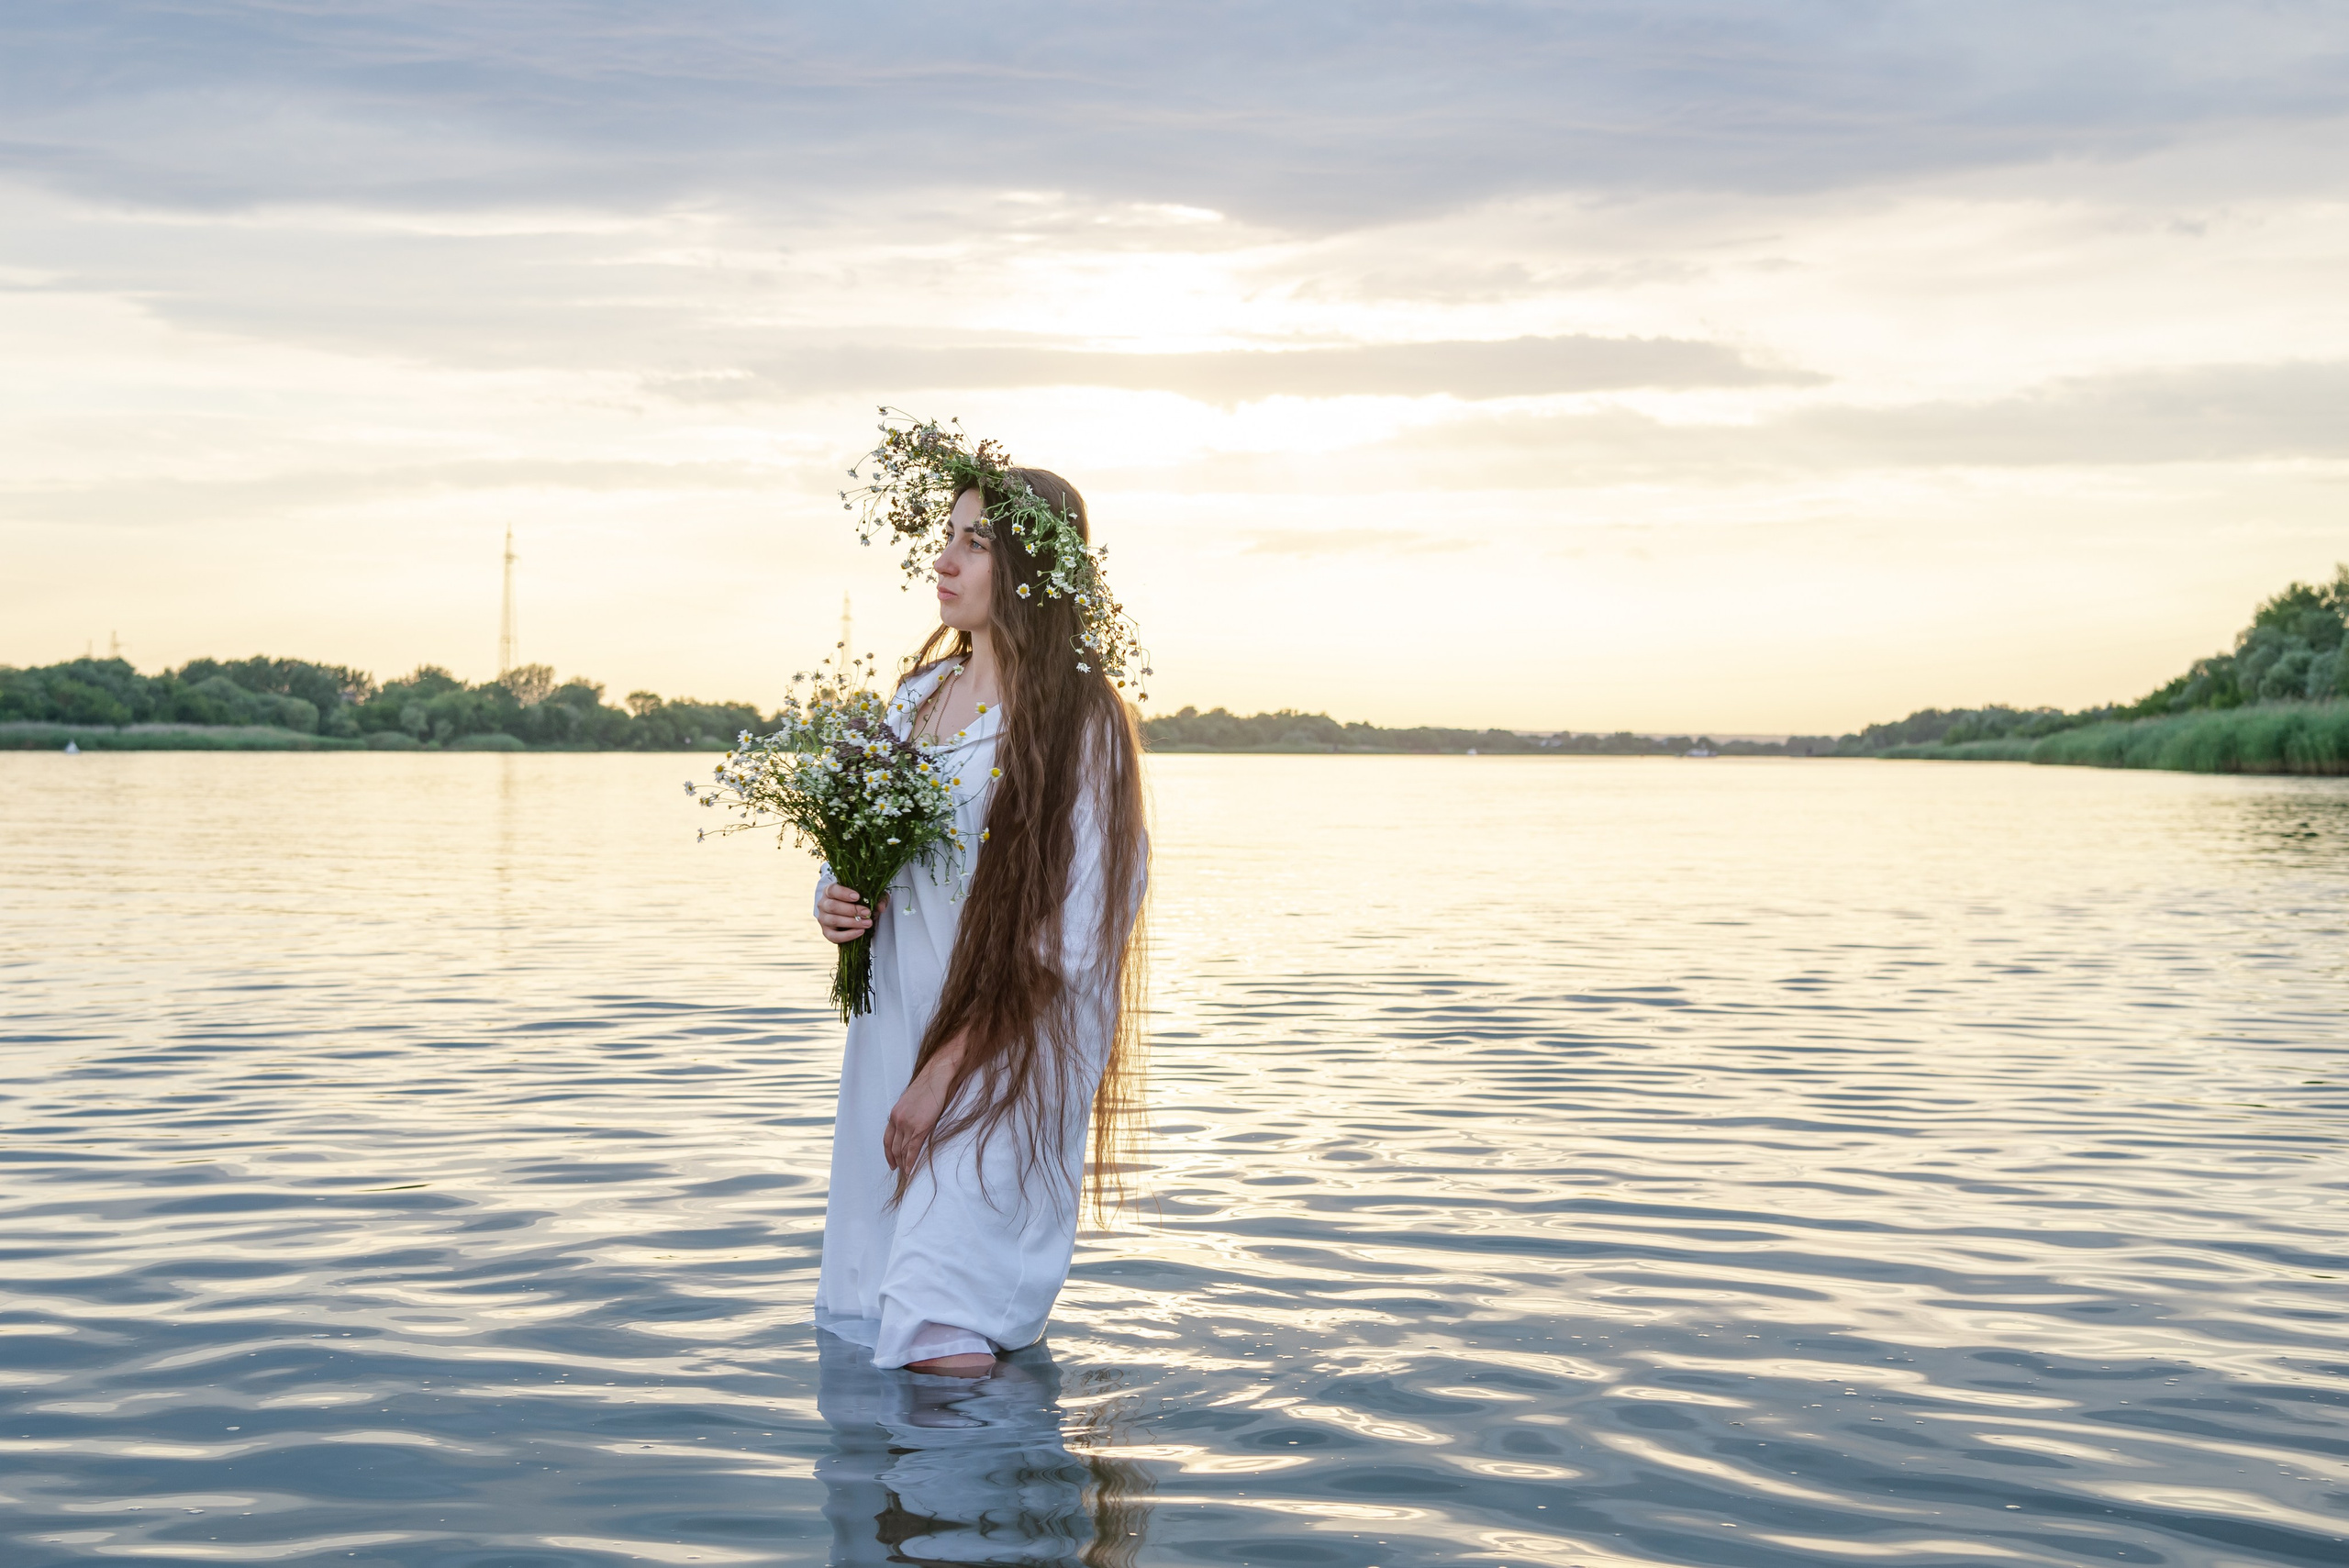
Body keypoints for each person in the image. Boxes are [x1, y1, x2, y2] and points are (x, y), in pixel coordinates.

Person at [811, 454, 1149, 1376]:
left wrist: (942, 1077)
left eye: (976, 542)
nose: (945, 559)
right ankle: (905, 1516)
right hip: (894, 1036)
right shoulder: (914, 701)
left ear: (1031, 572)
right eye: (946, 536)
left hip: (998, 1058)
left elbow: (1071, 941)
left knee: (938, 1328)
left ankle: (982, 1510)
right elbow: (869, 860)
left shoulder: (1080, 724)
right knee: (875, 1315)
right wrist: (837, 900)